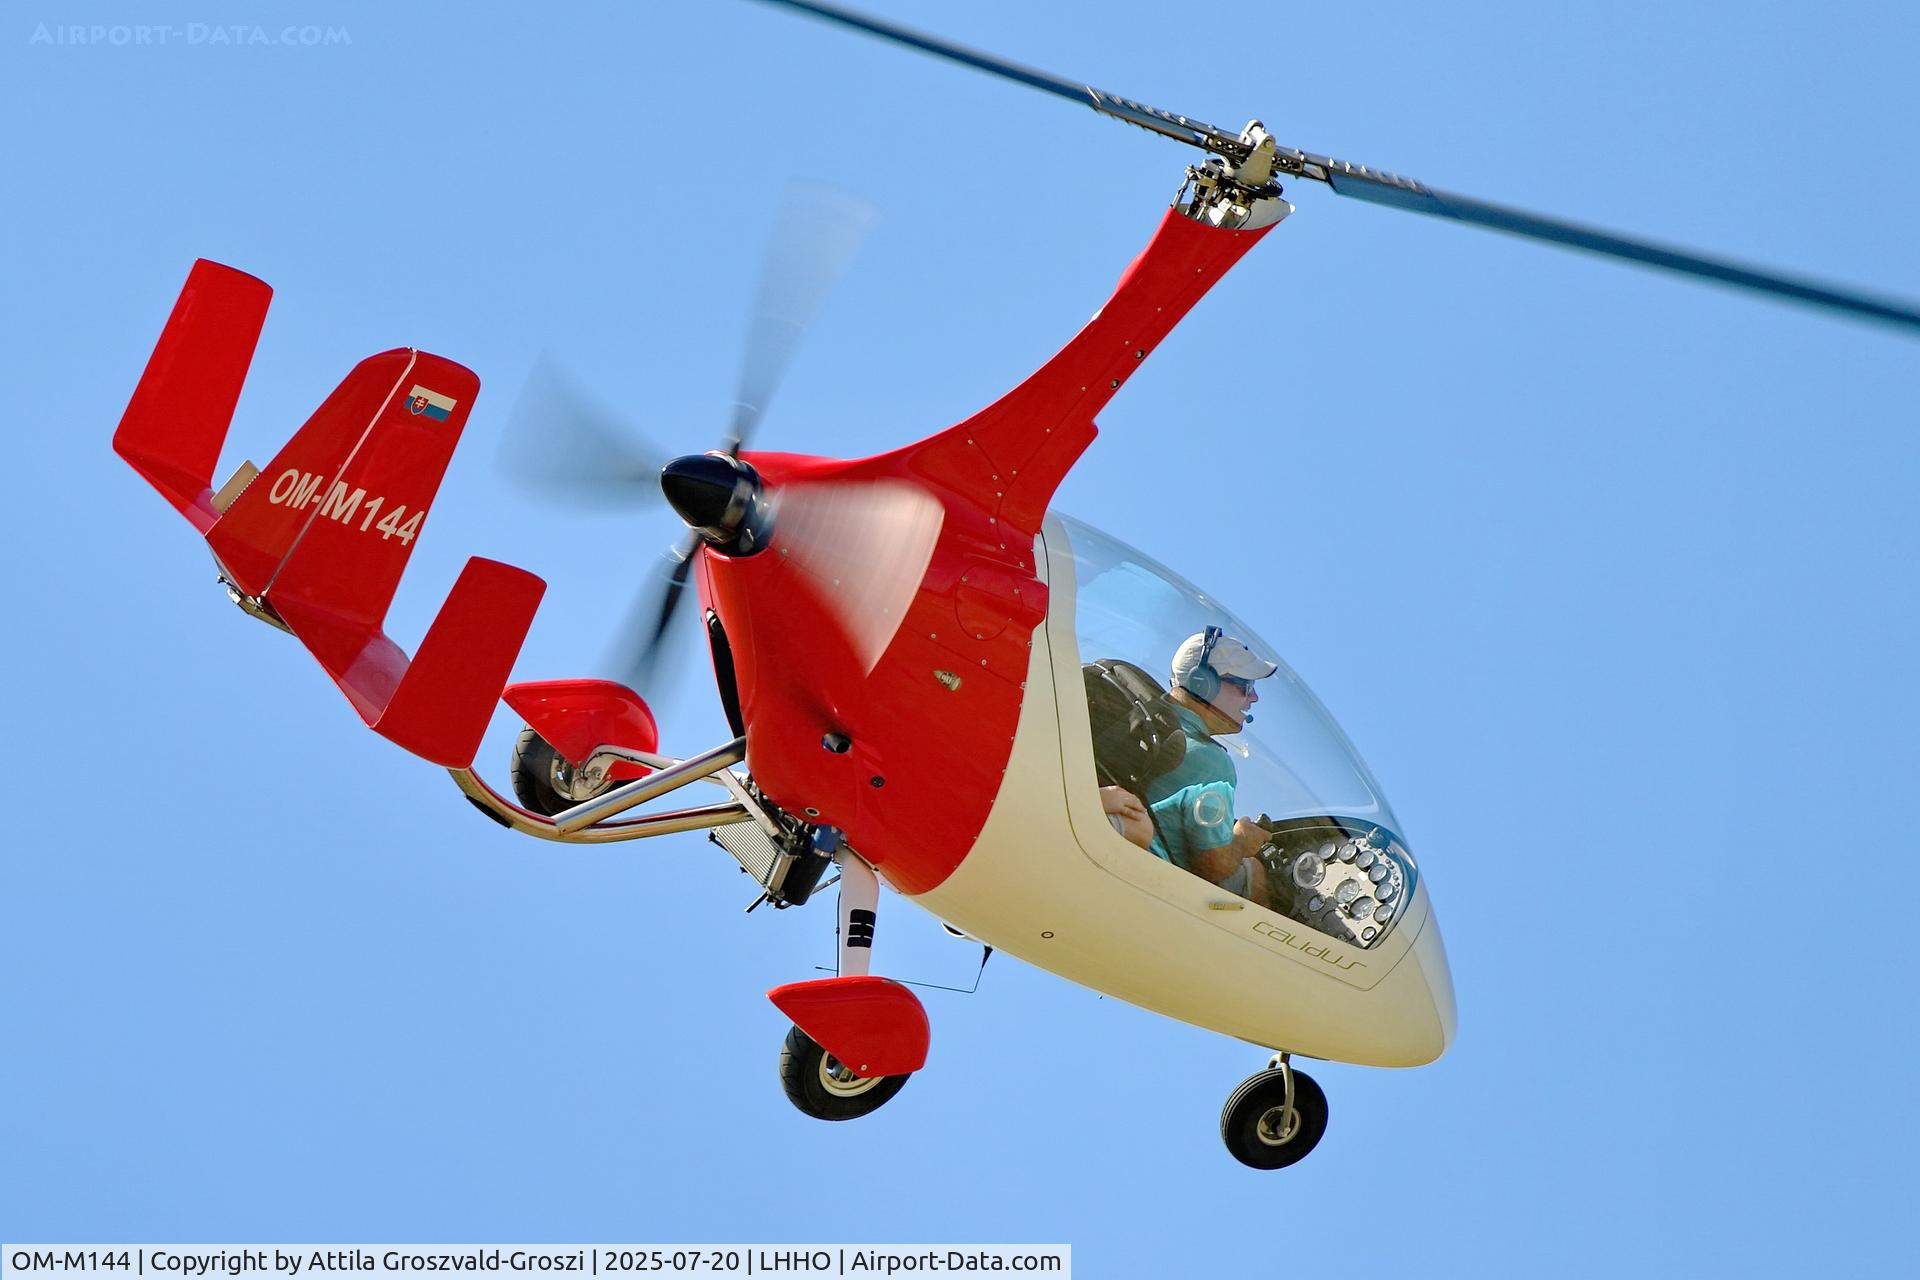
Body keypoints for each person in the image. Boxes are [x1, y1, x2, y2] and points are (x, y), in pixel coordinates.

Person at [1133, 626, 1280, 901]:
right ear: (1203, 683)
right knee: (1253, 871)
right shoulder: (1212, 763)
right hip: (1151, 886)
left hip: (1123, 852)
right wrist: (1241, 843)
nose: (1253, 697)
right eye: (1244, 685)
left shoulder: (1146, 721)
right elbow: (1212, 866)